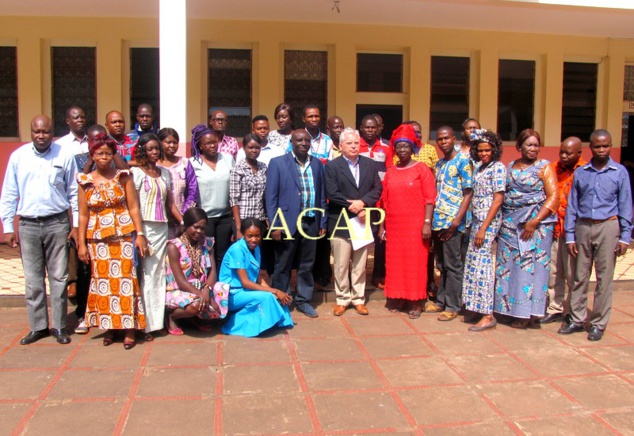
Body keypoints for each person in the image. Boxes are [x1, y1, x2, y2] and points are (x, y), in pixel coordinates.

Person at [0, 115, 78, 345]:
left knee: (59, 277)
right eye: (36, 132)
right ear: (31, 132)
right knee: (33, 280)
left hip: (57, 223)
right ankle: (38, 327)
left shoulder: (63, 154)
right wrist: (7, 227)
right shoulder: (19, 157)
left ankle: (59, 326)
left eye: (45, 132)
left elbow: (74, 192)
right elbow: (9, 193)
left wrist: (74, 226)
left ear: (52, 132)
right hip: (28, 225)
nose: (41, 136)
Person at [559, 129, 632, 341]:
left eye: (606, 146)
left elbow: (626, 205)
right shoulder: (582, 172)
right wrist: (570, 235)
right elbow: (572, 205)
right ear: (590, 148)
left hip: (608, 227)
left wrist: (625, 236)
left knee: (604, 277)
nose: (602, 150)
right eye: (597, 146)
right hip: (582, 227)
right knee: (579, 276)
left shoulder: (619, 173)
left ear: (610, 146)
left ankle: (599, 323)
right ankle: (577, 318)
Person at [76, 133, 147, 349]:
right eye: (100, 153)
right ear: (93, 156)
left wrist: (140, 235)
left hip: (122, 236)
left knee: (125, 282)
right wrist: (81, 243)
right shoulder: (84, 181)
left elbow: (134, 207)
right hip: (97, 240)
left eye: (108, 153)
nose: (104, 157)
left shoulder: (124, 176)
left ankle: (129, 330)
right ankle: (110, 328)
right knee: (104, 284)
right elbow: (82, 215)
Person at [494, 129, 558, 328]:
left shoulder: (544, 167)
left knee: (529, 269)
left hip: (535, 228)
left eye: (536, 145)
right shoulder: (511, 166)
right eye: (529, 145)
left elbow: (554, 197)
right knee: (507, 269)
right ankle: (506, 310)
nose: (533, 149)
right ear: (519, 147)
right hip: (510, 225)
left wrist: (535, 221)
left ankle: (526, 315)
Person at [266, 129, 328, 318]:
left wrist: (322, 221)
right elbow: (271, 196)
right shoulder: (278, 163)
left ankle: (303, 300)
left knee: (306, 264)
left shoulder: (317, 164)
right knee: (283, 263)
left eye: (306, 140)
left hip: (310, 221)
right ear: (292, 142)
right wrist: (275, 224)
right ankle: (281, 301)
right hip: (286, 222)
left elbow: (322, 195)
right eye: (299, 140)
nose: (303, 143)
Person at [378, 124, 436, 318]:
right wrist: (382, 226)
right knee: (396, 263)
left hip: (416, 225)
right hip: (395, 226)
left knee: (416, 262)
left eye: (406, 146)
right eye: (399, 146)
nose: (402, 149)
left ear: (413, 149)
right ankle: (399, 296)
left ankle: (417, 301)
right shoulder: (391, 171)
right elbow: (384, 201)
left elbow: (430, 198)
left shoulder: (422, 169)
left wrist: (426, 223)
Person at [325, 128, 382, 316]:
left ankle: (358, 298)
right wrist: (355, 206)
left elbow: (377, 188)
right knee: (341, 264)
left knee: (360, 263)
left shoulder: (370, 164)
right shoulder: (332, 166)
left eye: (356, 143)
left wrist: (363, 203)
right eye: (349, 143)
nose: (353, 146)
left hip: (362, 220)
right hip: (340, 219)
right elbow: (332, 193)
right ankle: (342, 299)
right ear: (340, 146)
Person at [132, 133, 184, 337]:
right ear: (143, 150)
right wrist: (139, 233)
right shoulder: (135, 173)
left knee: (161, 275)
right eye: (150, 148)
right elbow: (133, 205)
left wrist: (183, 223)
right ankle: (146, 325)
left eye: (156, 149)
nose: (154, 152)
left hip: (163, 228)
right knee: (147, 275)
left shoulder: (164, 173)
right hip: (144, 228)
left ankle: (158, 321)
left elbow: (170, 203)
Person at [426, 126, 473, 322]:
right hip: (439, 222)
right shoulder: (439, 164)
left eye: (447, 138)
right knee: (442, 263)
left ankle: (453, 305)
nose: (443, 142)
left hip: (454, 223)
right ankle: (441, 300)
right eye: (440, 139)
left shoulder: (463, 161)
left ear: (454, 139)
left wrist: (456, 221)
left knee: (454, 265)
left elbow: (468, 193)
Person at [461, 130, 506, 331]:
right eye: (480, 150)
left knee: (484, 267)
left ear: (494, 150)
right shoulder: (479, 168)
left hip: (487, 222)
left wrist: (484, 229)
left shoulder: (498, 168)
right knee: (473, 265)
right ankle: (477, 307)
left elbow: (498, 200)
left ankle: (488, 314)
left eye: (487, 150)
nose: (484, 154)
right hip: (476, 221)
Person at [220, 218, 294, 337]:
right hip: (232, 293)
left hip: (246, 291)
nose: (254, 239)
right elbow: (246, 283)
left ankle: (273, 321)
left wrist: (275, 293)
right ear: (243, 234)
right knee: (267, 297)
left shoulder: (257, 249)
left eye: (257, 236)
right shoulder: (237, 250)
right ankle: (235, 324)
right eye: (250, 236)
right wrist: (275, 291)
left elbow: (258, 277)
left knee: (273, 297)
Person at [540, 137, 585, 324]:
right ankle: (555, 307)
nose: (564, 156)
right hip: (554, 228)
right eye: (562, 152)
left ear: (579, 153)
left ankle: (573, 311)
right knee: (554, 272)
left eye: (569, 153)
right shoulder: (552, 168)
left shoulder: (584, 172)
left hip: (573, 231)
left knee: (573, 274)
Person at [165, 207, 229, 335]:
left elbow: (212, 273)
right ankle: (171, 316)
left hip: (202, 287)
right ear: (187, 225)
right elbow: (181, 282)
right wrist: (204, 296)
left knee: (224, 289)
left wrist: (207, 290)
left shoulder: (207, 243)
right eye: (195, 227)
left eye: (202, 228)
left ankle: (194, 318)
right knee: (197, 305)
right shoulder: (174, 247)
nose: (199, 231)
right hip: (180, 290)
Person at [190, 124, 235, 267]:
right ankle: (208, 285)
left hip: (225, 217)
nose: (212, 146)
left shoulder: (228, 159)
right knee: (207, 255)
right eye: (208, 143)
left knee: (223, 255)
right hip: (205, 218)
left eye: (214, 142)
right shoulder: (192, 163)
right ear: (200, 146)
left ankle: (221, 287)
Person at [56, 106, 89, 303]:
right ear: (67, 121)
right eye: (75, 117)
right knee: (72, 241)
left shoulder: (92, 141)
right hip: (69, 199)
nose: (80, 120)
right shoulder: (60, 146)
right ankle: (73, 282)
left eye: (83, 117)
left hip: (91, 198)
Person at [358, 115, 394, 290]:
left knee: (380, 240)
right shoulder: (356, 145)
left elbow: (389, 173)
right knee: (361, 240)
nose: (370, 130)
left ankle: (378, 274)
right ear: (361, 128)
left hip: (380, 202)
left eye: (373, 127)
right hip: (362, 202)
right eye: (367, 127)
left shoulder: (387, 147)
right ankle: (360, 276)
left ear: (378, 128)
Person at [157, 127, 199, 239]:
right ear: (160, 143)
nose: (172, 146)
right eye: (168, 142)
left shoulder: (184, 163)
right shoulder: (154, 165)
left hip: (181, 219)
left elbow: (193, 190)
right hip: (159, 219)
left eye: (175, 142)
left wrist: (183, 214)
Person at [230, 133, 268, 239]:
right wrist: (238, 227)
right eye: (250, 147)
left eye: (257, 147)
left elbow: (265, 195)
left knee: (259, 253)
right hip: (243, 220)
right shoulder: (237, 169)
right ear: (244, 148)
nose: (254, 150)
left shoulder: (263, 167)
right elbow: (234, 200)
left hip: (259, 219)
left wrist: (266, 216)